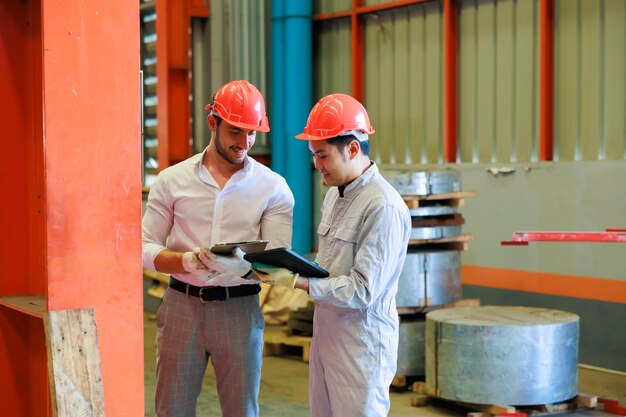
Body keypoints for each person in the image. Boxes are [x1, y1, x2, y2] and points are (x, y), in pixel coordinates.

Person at [142, 80, 295, 417]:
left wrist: (242, 268)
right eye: (236, 132)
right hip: (182, 306)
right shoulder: (172, 180)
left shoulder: (273, 188)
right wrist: (183, 261)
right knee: (172, 409)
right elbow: (142, 246)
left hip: (239, 310)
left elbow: (278, 263)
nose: (244, 143)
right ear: (213, 123)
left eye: (252, 133)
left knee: (242, 411)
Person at [252, 93, 411, 416]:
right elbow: (329, 268)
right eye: (314, 155)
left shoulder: (383, 207)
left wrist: (297, 282)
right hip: (328, 336)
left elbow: (363, 290)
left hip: (362, 346)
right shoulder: (334, 197)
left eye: (322, 155)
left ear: (352, 148)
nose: (316, 165)